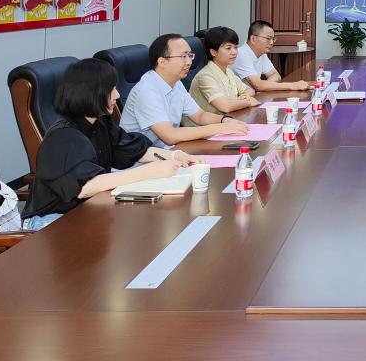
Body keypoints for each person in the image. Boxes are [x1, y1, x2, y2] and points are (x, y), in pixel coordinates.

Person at [22, 58, 195, 230]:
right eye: (111, 89)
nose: (117, 95)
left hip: (88, 209)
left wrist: (174, 155)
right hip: (51, 221)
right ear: (91, 93)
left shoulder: (100, 122)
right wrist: (147, 172)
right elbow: (86, 187)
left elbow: (134, 150)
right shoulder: (64, 136)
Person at [120, 33, 249, 148]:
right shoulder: (147, 90)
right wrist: (219, 128)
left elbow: (200, 116)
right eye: (183, 56)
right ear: (162, 62)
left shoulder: (176, 83)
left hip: (169, 151)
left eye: (190, 55)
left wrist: (224, 120)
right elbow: (170, 136)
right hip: (141, 160)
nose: (189, 62)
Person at [189, 25, 259, 116]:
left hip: (227, 118)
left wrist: (242, 98)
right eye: (228, 48)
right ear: (213, 52)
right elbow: (225, 107)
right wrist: (248, 102)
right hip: (206, 124)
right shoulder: (205, 76)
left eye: (235, 47)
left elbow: (249, 90)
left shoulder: (228, 71)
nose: (234, 52)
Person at [233, 20, 310, 92]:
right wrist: (292, 85)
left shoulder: (261, 53)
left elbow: (275, 75)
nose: (271, 42)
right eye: (268, 38)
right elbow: (257, 85)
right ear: (253, 39)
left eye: (273, 39)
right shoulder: (241, 54)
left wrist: (264, 86)